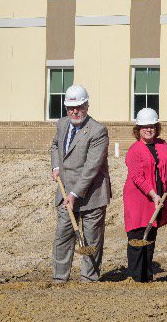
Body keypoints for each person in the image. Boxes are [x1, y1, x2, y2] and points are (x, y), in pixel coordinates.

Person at [49, 84, 111, 283]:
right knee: (62, 236)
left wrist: (75, 194)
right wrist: (56, 166)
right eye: (70, 108)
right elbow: (56, 145)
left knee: (91, 239)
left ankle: (89, 279)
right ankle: (59, 279)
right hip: (65, 190)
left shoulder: (98, 131)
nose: (75, 111)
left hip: (92, 194)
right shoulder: (62, 124)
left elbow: (91, 168)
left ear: (87, 105)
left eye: (79, 107)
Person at [123, 108, 167, 282]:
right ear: (138, 129)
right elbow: (137, 177)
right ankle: (136, 277)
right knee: (138, 238)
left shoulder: (162, 144)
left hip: (157, 199)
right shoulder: (134, 150)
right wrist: (153, 194)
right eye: (144, 126)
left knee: (150, 238)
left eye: (152, 126)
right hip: (140, 200)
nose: (148, 129)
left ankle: (147, 276)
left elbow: (165, 164)